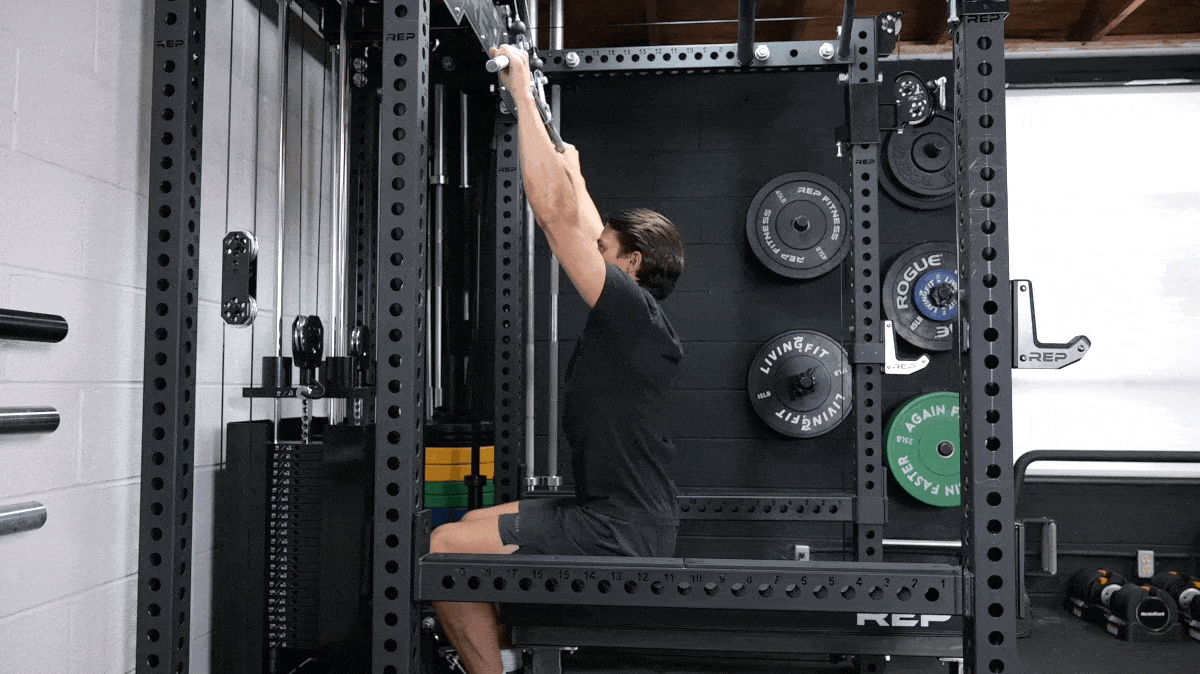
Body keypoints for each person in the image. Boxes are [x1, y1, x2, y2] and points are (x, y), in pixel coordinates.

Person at [427, 45, 686, 674]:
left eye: (607, 251)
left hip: (618, 530)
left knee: (442, 548)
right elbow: (582, 217)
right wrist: (576, 172)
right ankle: (505, 653)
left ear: (631, 266)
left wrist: (520, 91)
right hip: (606, 511)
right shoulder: (636, 314)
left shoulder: (629, 311)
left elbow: (555, 217)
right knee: (477, 519)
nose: (593, 253)